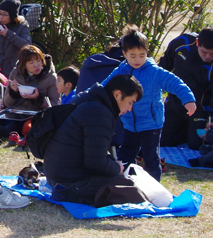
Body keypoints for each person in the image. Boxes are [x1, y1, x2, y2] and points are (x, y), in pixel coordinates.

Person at [100, 25, 197, 181]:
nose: (137, 60)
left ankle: (154, 187)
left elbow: (175, 83)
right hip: (130, 123)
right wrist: (89, 95)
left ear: (147, 53)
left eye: (142, 55)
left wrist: (188, 100)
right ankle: (123, 182)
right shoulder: (121, 70)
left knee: (151, 156)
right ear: (124, 54)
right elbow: (105, 86)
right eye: (133, 56)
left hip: (152, 123)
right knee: (126, 154)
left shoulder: (154, 72)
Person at [45, 74, 144, 206]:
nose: (129, 109)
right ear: (117, 95)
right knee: (129, 185)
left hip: (56, 176)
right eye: (130, 102)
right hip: (69, 182)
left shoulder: (89, 101)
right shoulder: (99, 113)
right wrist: (116, 168)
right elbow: (95, 162)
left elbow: (95, 152)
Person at [159, 28, 213, 148]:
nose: (208, 57)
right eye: (204, 52)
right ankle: (184, 128)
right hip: (174, 104)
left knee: (196, 144)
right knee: (161, 140)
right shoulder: (182, 43)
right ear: (197, 43)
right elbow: (163, 67)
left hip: (199, 110)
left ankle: (191, 129)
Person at [0, 45, 59, 143]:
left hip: (34, 116)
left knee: (10, 128)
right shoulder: (16, 73)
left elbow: (55, 106)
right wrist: (13, 92)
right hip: (14, 112)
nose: (36, 65)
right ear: (24, 65)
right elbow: (6, 102)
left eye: (39, 61)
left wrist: (38, 98)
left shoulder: (51, 77)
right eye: (31, 63)